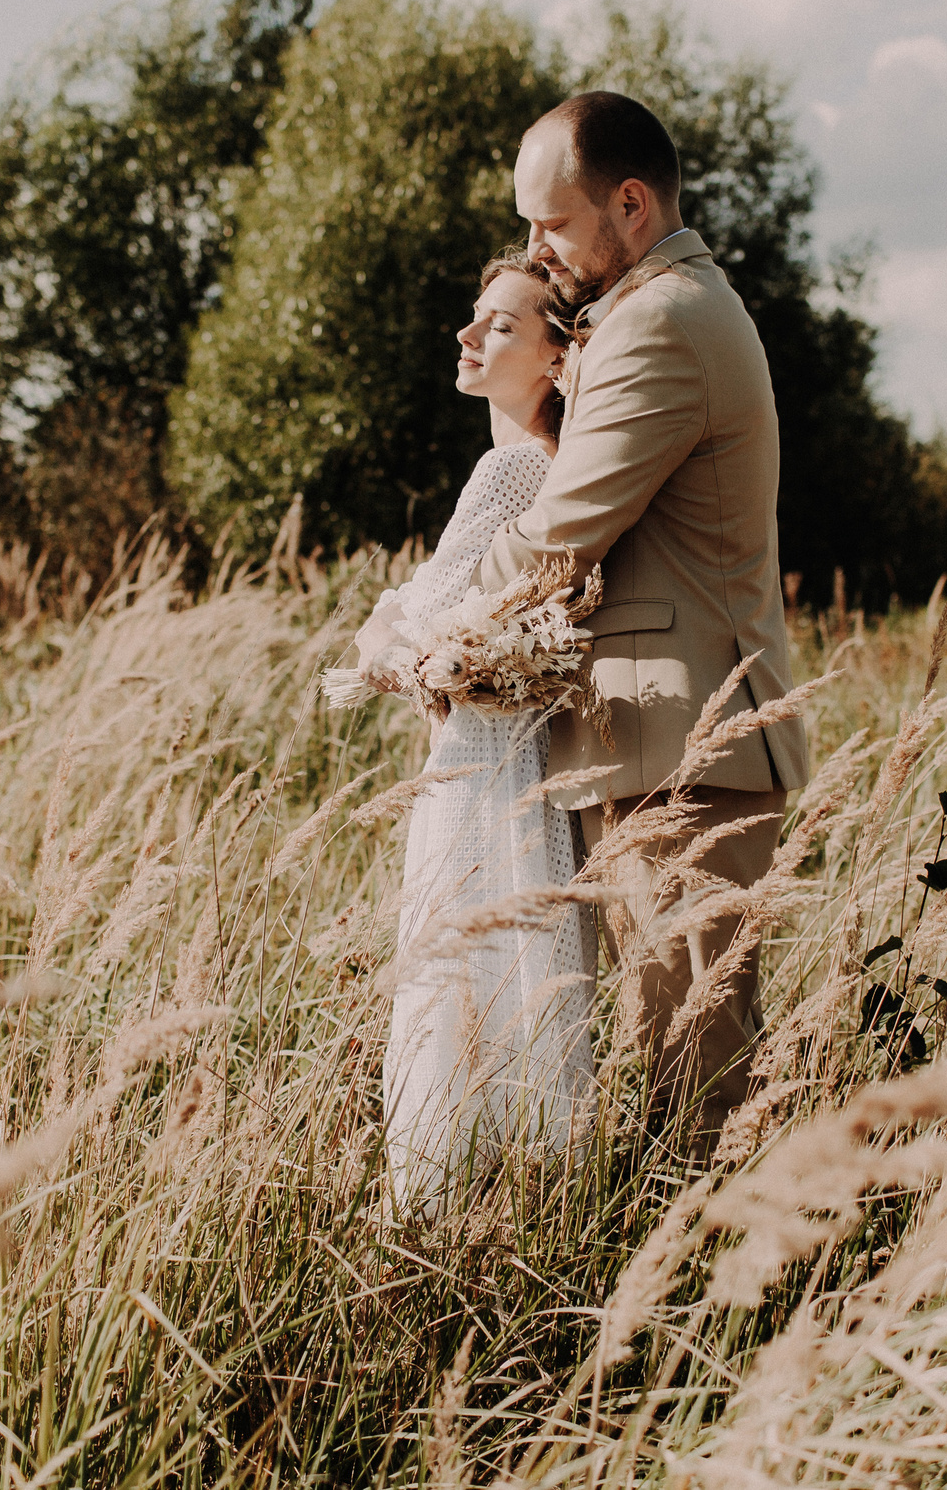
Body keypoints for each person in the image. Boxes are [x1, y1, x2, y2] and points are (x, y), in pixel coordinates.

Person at [472, 90, 809, 1152]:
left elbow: (563, 535)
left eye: (553, 223)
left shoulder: (663, 321)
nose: (536, 247)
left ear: (629, 202)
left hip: (692, 752)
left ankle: (735, 1303)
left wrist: (435, 614)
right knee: (667, 1072)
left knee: (695, 1089)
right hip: (655, 749)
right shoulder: (642, 313)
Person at [359, 250, 598, 1208]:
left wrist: (388, 628)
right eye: (476, 314)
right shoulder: (554, 467)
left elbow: (410, 629)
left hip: (482, 762)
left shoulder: (508, 471)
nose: (469, 334)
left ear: (555, 358)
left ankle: (443, 1199)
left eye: (500, 325)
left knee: (462, 971)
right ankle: (540, 1188)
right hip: (527, 752)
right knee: (526, 973)